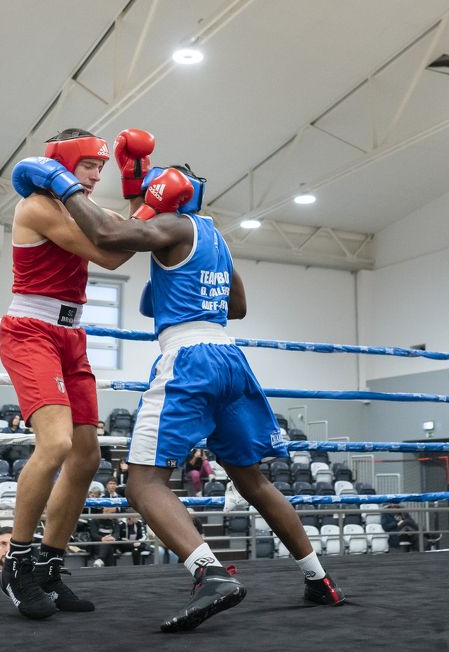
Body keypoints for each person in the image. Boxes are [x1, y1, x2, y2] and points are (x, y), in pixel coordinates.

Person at [56, 161, 344, 632]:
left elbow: (108, 234)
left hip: (188, 359)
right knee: (253, 482)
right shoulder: (214, 236)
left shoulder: (170, 226)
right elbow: (239, 307)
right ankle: (319, 580)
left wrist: (63, 186)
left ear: (167, 192)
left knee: (143, 483)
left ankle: (210, 576)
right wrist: (176, 285)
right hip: (231, 359)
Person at [0, 127, 151, 619]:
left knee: (87, 457)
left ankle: (49, 565)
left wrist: (139, 187)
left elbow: (128, 233)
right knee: (57, 444)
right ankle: (17, 562)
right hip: (31, 330)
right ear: (62, 162)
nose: (96, 175)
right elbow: (111, 252)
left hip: (72, 336)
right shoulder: (40, 206)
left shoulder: (80, 207)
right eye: (90, 165)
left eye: (102, 168)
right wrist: (146, 211)